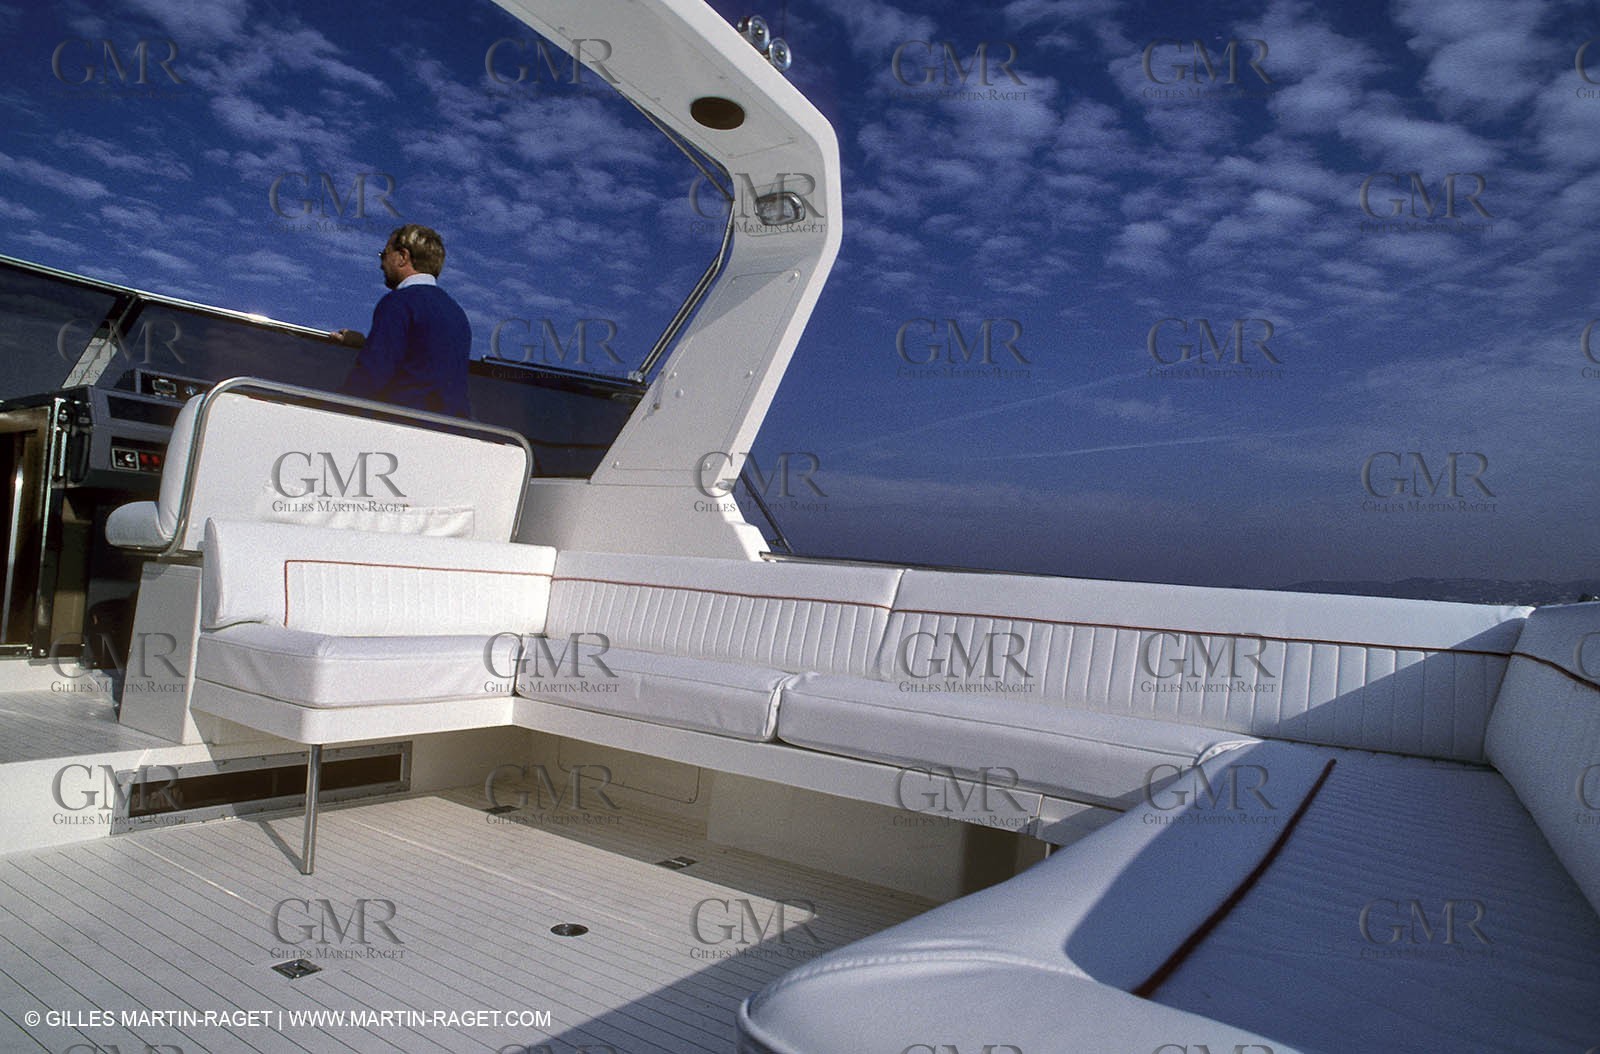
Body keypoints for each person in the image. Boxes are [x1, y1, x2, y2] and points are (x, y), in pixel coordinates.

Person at [336, 224, 472, 417]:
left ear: (402, 257)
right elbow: (424, 361)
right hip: (452, 433)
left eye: (384, 254)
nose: (381, 264)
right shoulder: (457, 313)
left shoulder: (399, 303)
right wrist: (366, 344)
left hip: (403, 427)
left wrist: (328, 407)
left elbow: (372, 375)